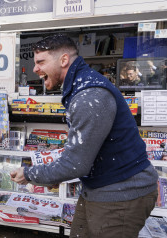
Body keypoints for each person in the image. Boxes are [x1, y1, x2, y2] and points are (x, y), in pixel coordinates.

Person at [10, 34, 158, 237]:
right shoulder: (81, 86)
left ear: (63, 60)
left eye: (41, 62)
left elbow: (75, 165)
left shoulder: (89, 95)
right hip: (100, 188)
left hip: (120, 195)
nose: (35, 69)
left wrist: (28, 174)